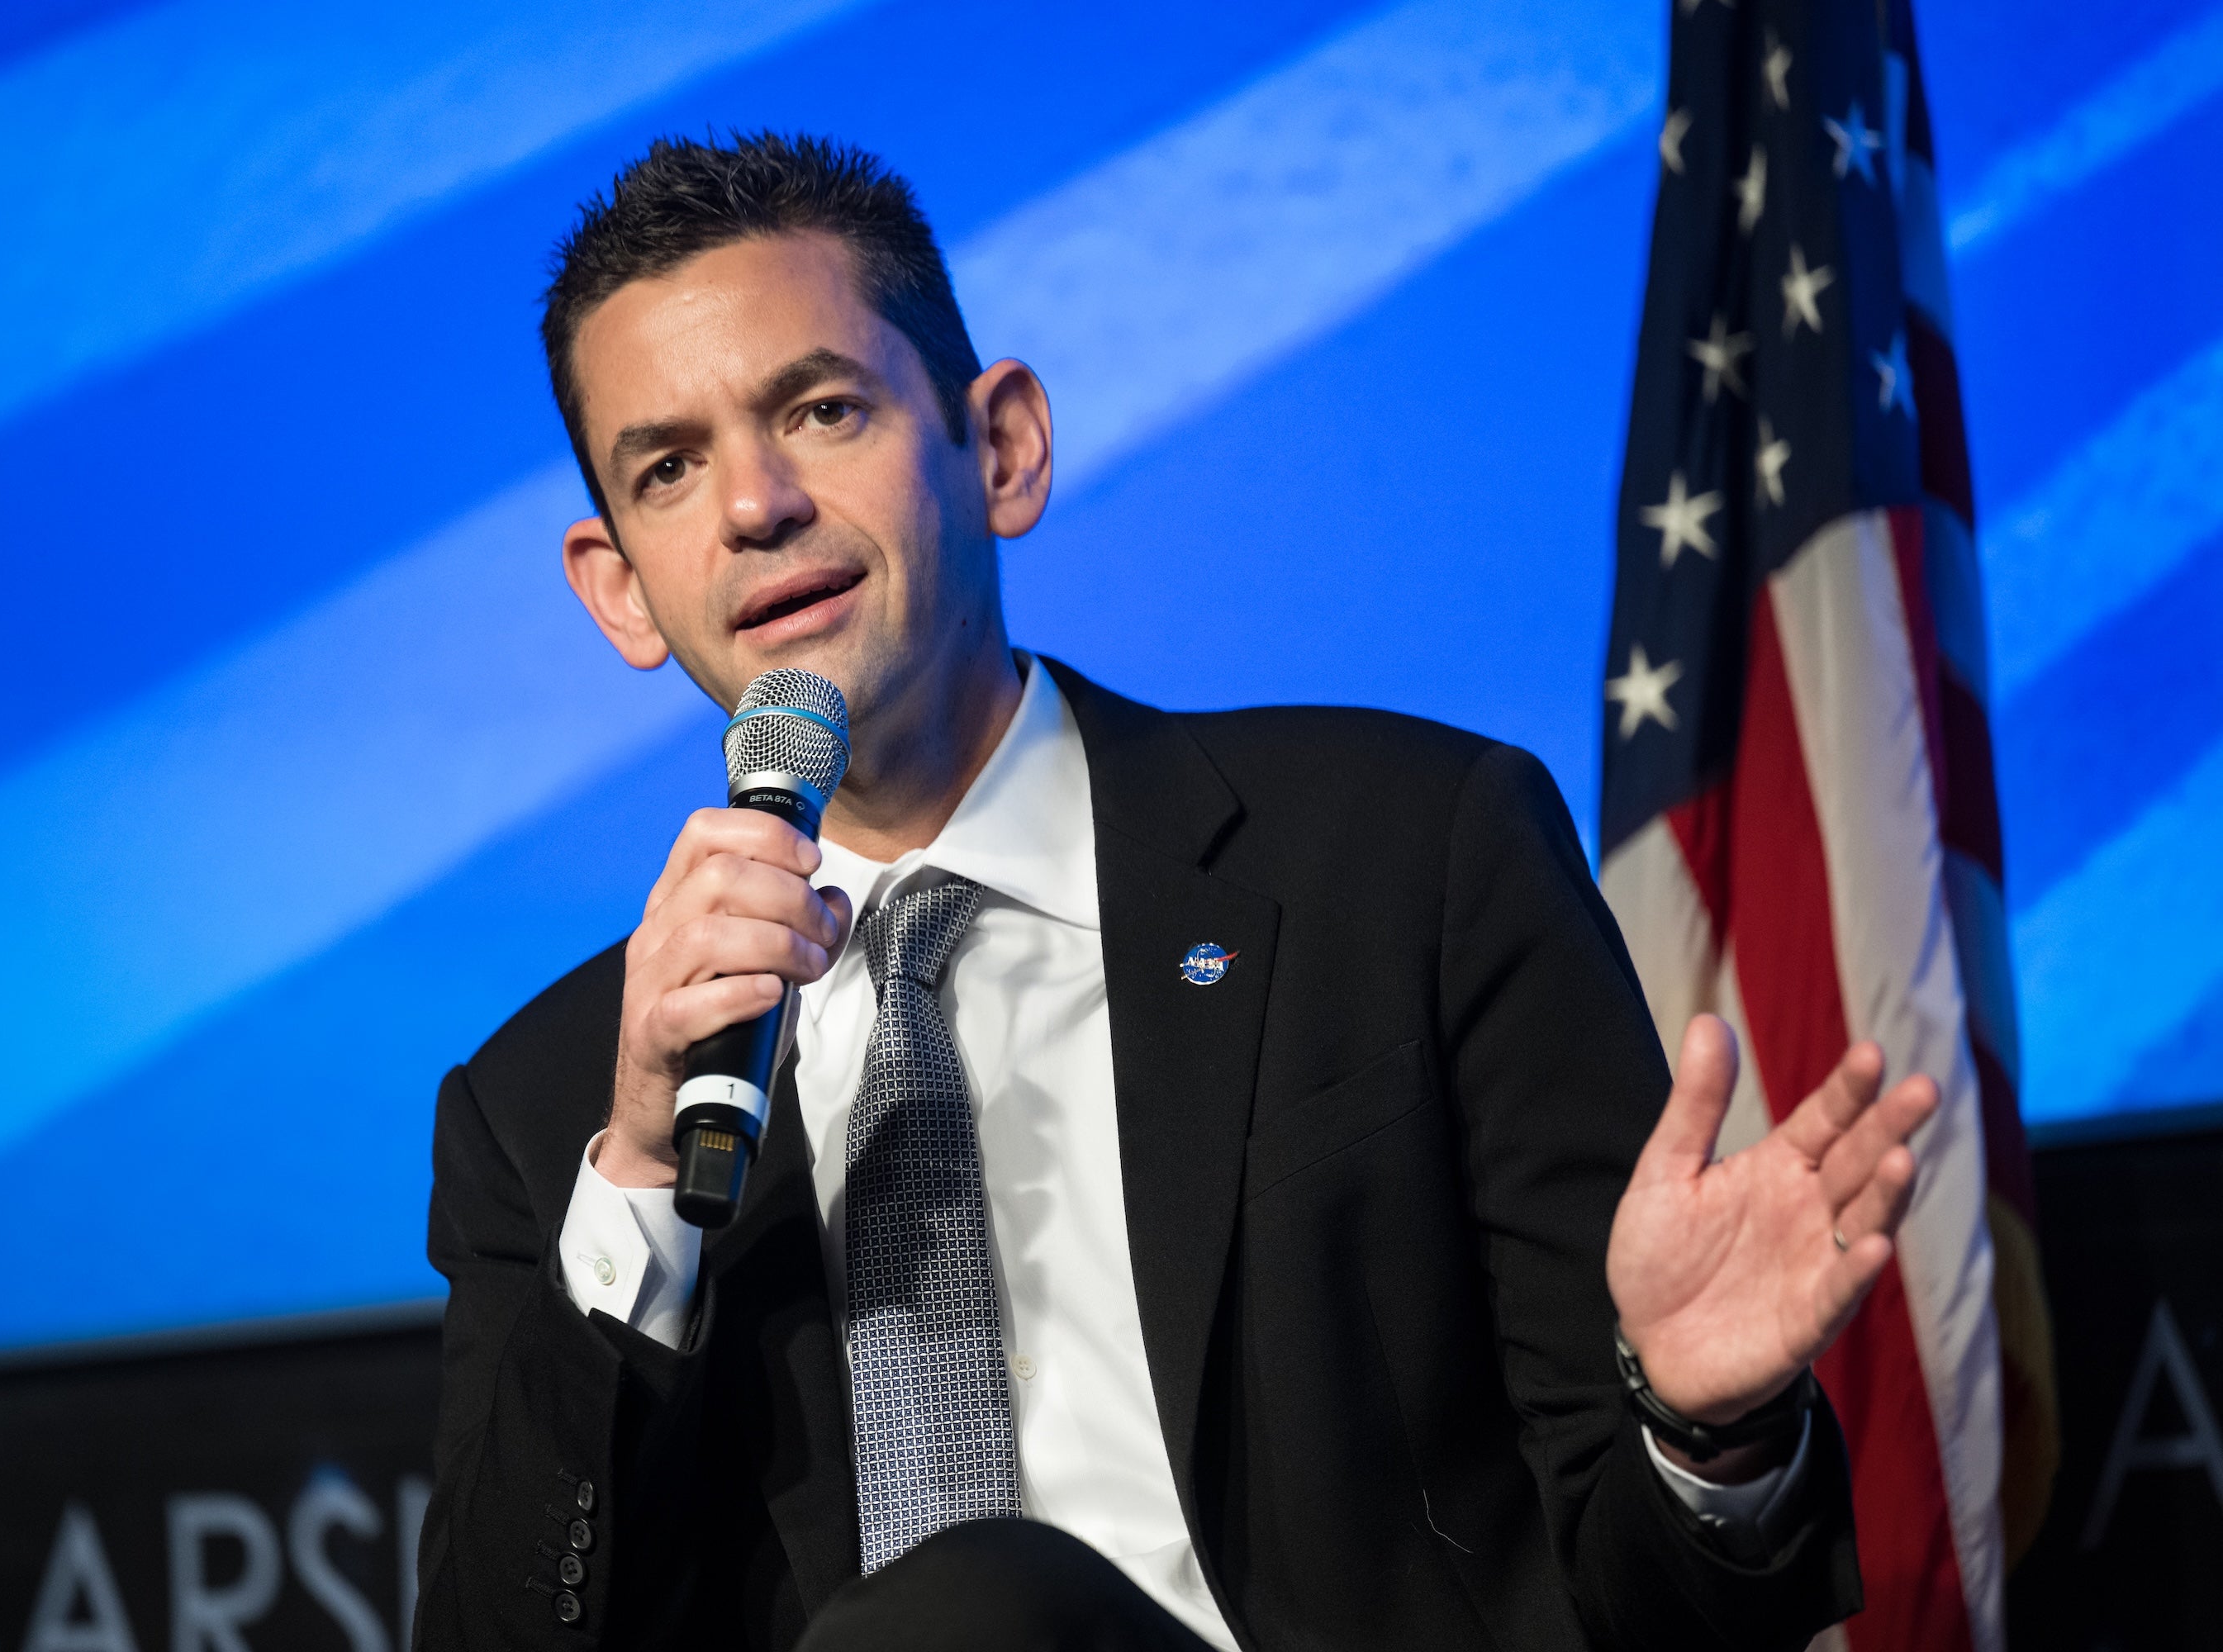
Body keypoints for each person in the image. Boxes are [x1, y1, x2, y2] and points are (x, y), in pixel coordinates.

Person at [411, 133, 1934, 1651]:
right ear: (619, 587)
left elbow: (1656, 1606)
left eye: (822, 409)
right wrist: (639, 1176)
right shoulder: (552, 1118)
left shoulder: (1408, 861)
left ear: (1002, 449)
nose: (755, 504)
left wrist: (1708, 1428)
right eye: (669, 469)